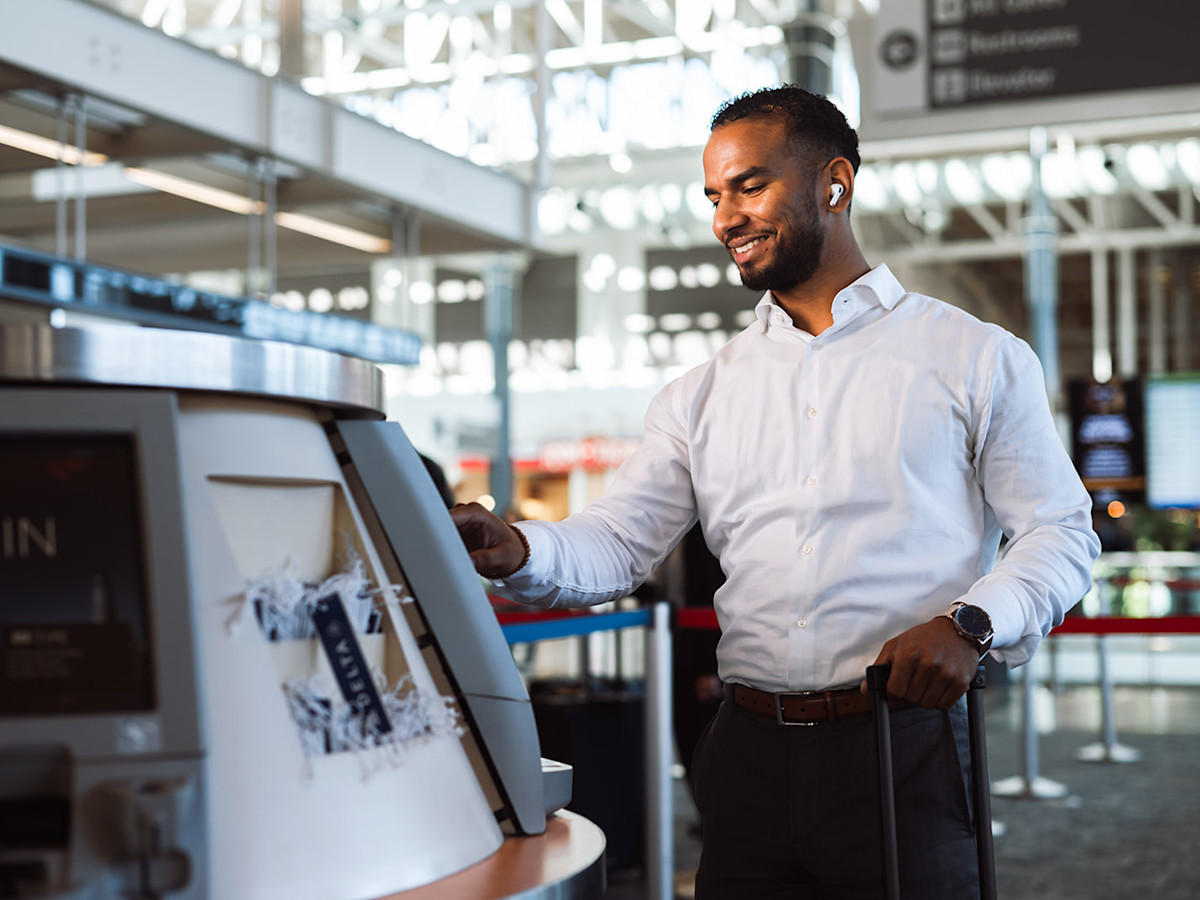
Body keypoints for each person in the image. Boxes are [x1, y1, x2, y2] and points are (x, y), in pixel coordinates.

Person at [450, 85, 1100, 898]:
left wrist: (970, 625)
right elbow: (617, 542)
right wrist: (516, 546)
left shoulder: (974, 358)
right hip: (744, 753)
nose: (726, 218)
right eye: (715, 196)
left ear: (835, 183)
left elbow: (1062, 533)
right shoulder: (700, 393)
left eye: (750, 186)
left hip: (903, 750)